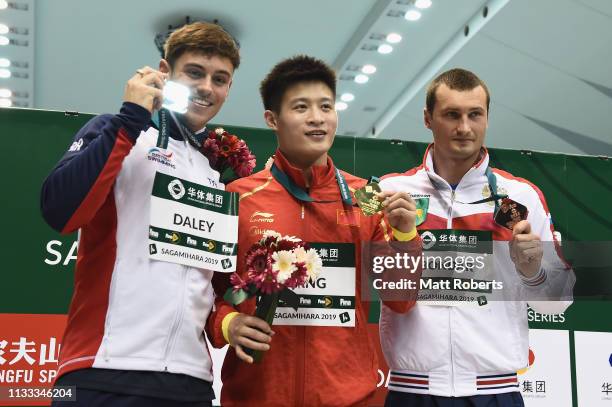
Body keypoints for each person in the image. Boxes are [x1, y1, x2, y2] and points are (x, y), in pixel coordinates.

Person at [40, 22, 240, 407]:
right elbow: (59, 211)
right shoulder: (119, 131)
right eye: (194, 73)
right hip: (102, 371)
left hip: (192, 382)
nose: (207, 88)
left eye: (220, 79)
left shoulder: (215, 170)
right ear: (164, 72)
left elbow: (215, 282)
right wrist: (130, 118)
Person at [206, 55, 421, 406]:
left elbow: (401, 299)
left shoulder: (366, 199)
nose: (317, 118)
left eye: (326, 106)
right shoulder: (240, 198)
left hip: (350, 398)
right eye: (301, 107)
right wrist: (228, 322)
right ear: (272, 119)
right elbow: (204, 291)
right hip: (257, 396)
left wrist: (405, 237)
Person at [379, 68, 574, 406]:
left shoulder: (521, 196)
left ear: (487, 118)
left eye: (475, 115)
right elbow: (382, 286)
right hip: (413, 391)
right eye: (451, 115)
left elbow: (557, 303)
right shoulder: (393, 193)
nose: (464, 128)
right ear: (428, 118)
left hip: (495, 392)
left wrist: (533, 270)